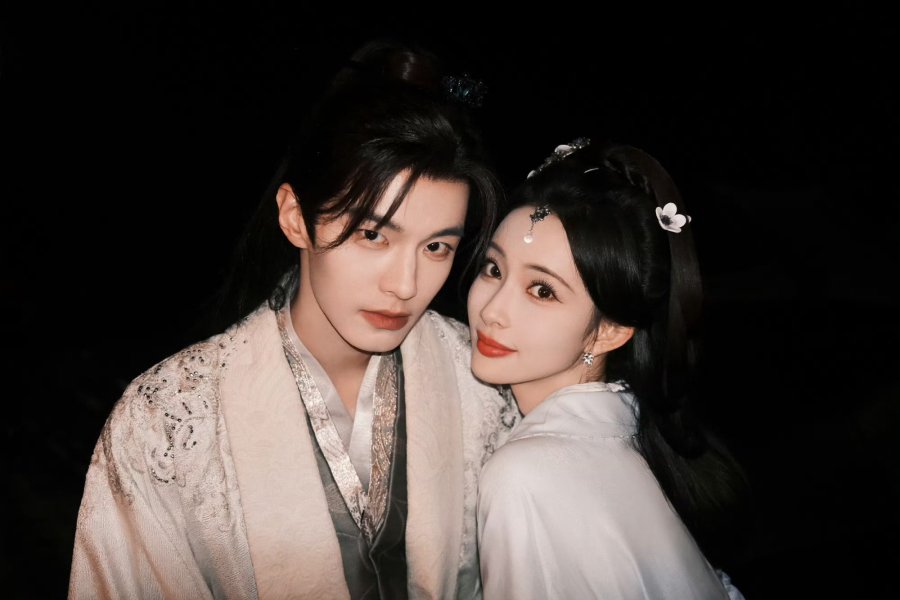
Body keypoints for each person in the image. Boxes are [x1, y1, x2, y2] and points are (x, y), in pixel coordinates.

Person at [68, 37, 520, 600]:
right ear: (295, 218)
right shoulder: (169, 419)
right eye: (372, 235)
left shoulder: (480, 383)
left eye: (436, 247)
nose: (405, 286)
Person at [468, 138, 749, 599]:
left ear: (610, 332)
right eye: (494, 269)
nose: (491, 310)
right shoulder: (627, 432)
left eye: (542, 291)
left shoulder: (525, 475)